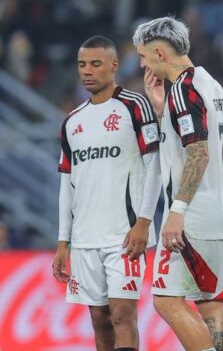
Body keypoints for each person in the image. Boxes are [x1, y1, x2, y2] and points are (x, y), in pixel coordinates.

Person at [134, 16, 223, 351]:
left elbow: (198, 153)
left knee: (166, 300)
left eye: (144, 55)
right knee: (210, 302)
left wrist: (177, 212)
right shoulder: (210, 84)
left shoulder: (183, 89)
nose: (142, 63)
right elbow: (199, 139)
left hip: (193, 214)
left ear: (160, 54)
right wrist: (161, 109)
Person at [53, 35, 160, 351]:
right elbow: (66, 185)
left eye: (95, 64)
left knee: (123, 315)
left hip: (123, 236)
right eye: (82, 64)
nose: (87, 71)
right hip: (85, 238)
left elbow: (153, 166)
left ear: (114, 65)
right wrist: (63, 241)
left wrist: (143, 222)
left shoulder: (134, 106)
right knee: (99, 319)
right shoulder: (72, 121)